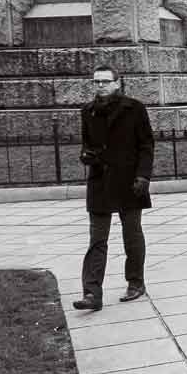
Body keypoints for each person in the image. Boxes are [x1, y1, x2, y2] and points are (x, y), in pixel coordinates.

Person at [72, 65, 154, 312]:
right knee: (97, 239)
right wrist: (86, 156)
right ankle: (92, 293)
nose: (100, 86)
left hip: (130, 181)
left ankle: (136, 283)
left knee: (132, 235)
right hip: (99, 181)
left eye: (105, 81)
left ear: (117, 83)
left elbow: (147, 145)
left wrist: (143, 176)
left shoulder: (134, 108)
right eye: (96, 82)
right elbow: (87, 142)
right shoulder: (88, 111)